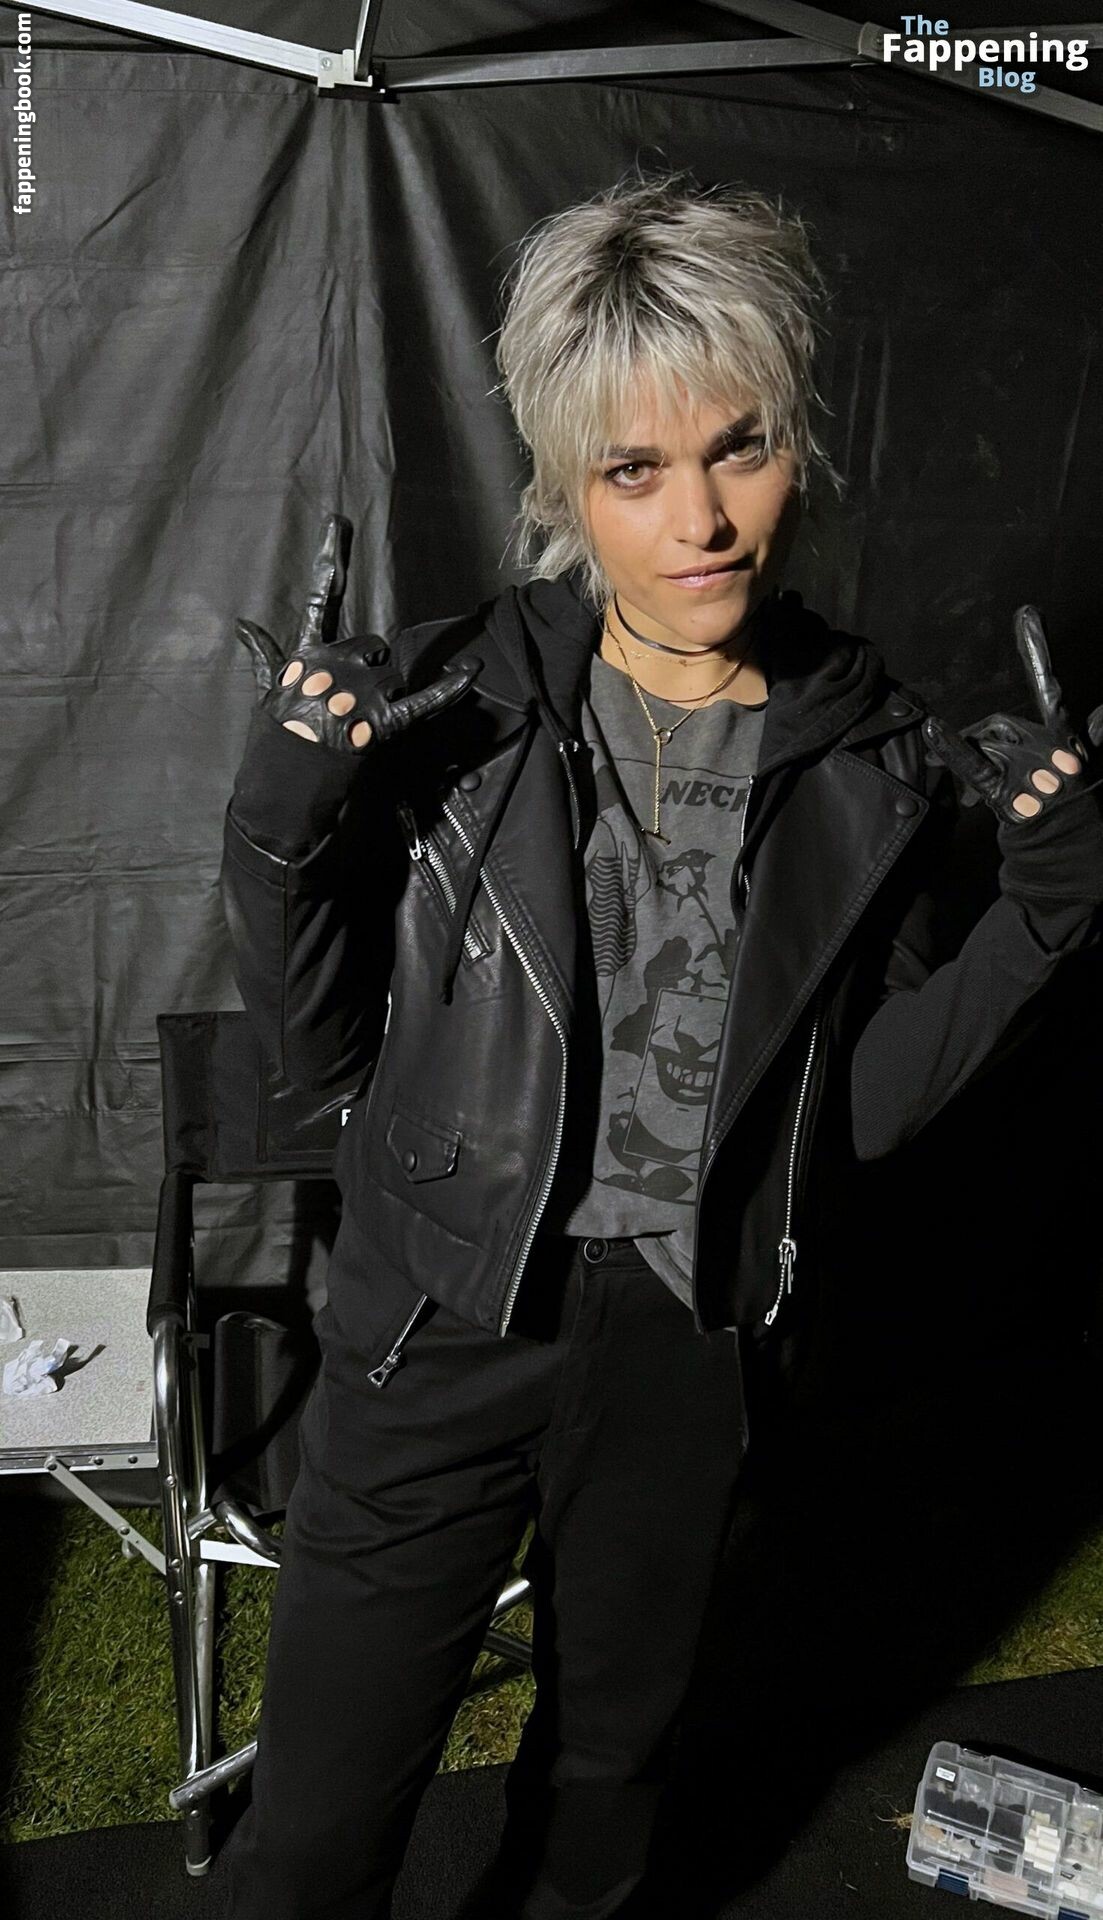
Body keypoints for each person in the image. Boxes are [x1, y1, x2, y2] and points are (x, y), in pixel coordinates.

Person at [217, 172, 1103, 1920]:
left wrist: (1047, 921)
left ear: (797, 449)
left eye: (738, 449)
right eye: (634, 470)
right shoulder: (446, 710)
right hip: (439, 1315)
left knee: (606, 1803)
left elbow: (851, 1118)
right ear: (565, 491)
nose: (699, 520)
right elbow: (319, 1060)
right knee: (311, 1836)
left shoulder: (872, 759)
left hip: (688, 1341)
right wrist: (280, 837)